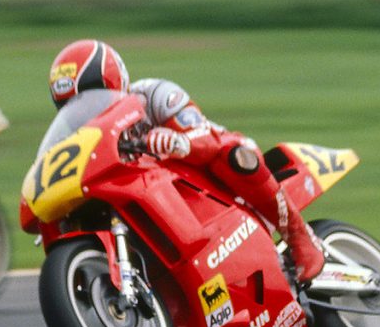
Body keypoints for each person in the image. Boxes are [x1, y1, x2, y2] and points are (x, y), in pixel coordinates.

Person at [47, 39, 325, 283]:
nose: (86, 107)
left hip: (207, 177)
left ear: (115, 81)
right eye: (71, 104)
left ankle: (300, 237)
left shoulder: (153, 95)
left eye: (94, 94)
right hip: (153, 201)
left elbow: (204, 132)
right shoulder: (74, 140)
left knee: (233, 155)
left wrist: (177, 142)